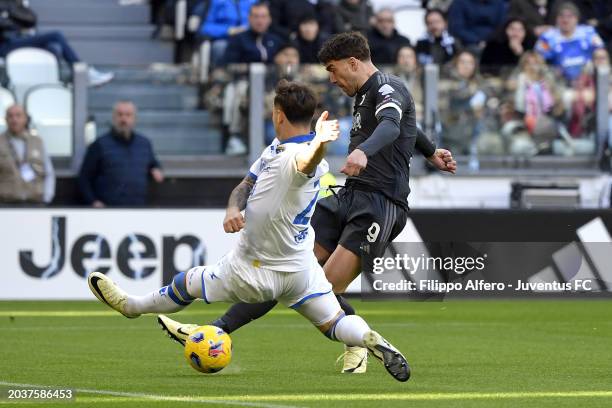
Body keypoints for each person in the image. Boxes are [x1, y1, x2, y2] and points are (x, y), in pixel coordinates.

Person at [87, 80, 411, 383]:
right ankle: (370, 338)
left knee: (188, 282)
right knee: (335, 322)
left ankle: (133, 307)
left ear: (277, 114)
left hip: (254, 269)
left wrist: (322, 145)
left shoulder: (300, 155)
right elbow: (247, 183)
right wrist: (233, 208)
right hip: (299, 269)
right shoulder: (276, 148)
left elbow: (306, 163)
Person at [203, 32, 457, 375]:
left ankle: (364, 341)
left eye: (335, 71)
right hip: (348, 195)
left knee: (321, 288)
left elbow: (392, 126)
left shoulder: (386, 89)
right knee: (287, 271)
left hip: (380, 205)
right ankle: (217, 330)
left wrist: (362, 151)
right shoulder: (368, 92)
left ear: (353, 63)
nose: (333, 79)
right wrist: (431, 152)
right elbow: (409, 127)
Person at [0, 0, 113, 86]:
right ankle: (83, 73)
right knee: (56, 35)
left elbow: (31, 20)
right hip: (5, 45)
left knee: (53, 48)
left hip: (20, 39)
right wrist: (13, 22)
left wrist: (10, 14)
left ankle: (61, 83)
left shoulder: (13, 3)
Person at [78, 101, 164, 207]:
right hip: (108, 210)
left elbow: (153, 163)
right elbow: (84, 178)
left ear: (134, 119)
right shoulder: (99, 145)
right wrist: (93, 201)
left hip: (138, 209)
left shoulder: (144, 143)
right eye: (119, 114)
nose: (123, 119)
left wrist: (156, 168)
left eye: (128, 115)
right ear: (113, 118)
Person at [535, 2, 604, 84]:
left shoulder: (588, 33)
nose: (565, 20)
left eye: (570, 16)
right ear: (556, 19)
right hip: (559, 82)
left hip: (589, 80)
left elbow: (601, 52)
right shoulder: (548, 37)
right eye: (561, 16)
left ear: (577, 18)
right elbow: (538, 57)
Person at [0, 104, 54, 204]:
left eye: (18, 115)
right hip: (6, 204)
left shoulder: (37, 142)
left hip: (35, 203)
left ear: (25, 118)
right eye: (10, 116)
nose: (14, 120)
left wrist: (47, 198)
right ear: (6, 119)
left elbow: (49, 172)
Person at [191, 0, 257, 66]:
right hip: (225, 39)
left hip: (251, 37)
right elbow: (205, 28)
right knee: (220, 47)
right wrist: (228, 30)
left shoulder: (253, 2)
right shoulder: (216, 2)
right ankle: (221, 73)